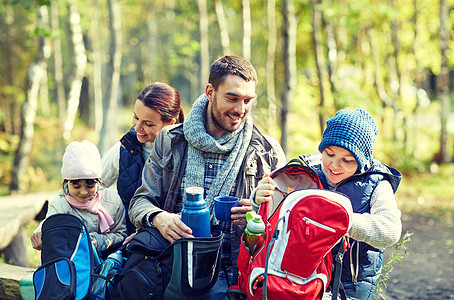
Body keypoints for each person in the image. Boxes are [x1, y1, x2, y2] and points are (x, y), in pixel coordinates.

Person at [129, 55, 286, 298]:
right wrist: (159, 218)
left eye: (247, 100)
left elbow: (284, 227)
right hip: (173, 269)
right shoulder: (170, 140)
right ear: (210, 91)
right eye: (232, 98)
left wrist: (258, 218)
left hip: (235, 276)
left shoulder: (267, 151)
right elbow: (139, 202)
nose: (240, 109)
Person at [254, 108, 402, 300]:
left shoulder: (377, 184)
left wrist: (345, 222)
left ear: (363, 161)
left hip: (352, 285)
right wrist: (259, 200)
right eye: (329, 154)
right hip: (304, 278)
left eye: (347, 160)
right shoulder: (307, 174)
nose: (334, 165)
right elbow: (275, 218)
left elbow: (390, 230)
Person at [101, 82, 184, 235]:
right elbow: (89, 183)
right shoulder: (125, 148)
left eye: (148, 123)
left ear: (170, 124)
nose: (137, 127)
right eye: (136, 117)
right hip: (131, 242)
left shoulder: (186, 153)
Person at [31, 140, 127, 258]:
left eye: (90, 185)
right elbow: (50, 224)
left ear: (98, 181)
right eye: (76, 186)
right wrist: (41, 234)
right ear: (67, 182)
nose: (83, 192)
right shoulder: (60, 204)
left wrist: (100, 241)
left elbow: (121, 234)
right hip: (71, 265)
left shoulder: (112, 201)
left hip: (105, 264)